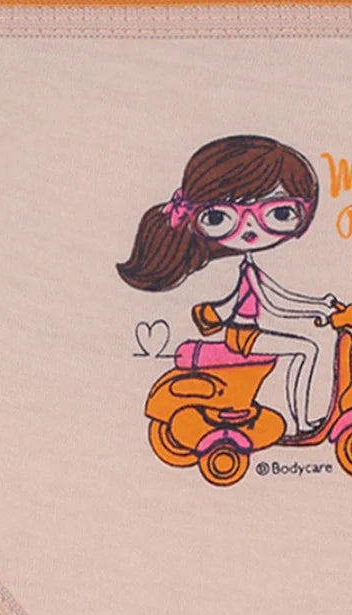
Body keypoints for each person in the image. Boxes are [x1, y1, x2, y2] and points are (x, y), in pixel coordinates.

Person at [117, 134, 335, 434]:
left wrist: (317, 306)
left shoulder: (247, 265)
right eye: (221, 217)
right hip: (243, 337)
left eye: (279, 213)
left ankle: (296, 420)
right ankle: (299, 423)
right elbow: (273, 303)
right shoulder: (236, 268)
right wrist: (315, 310)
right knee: (306, 350)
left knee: (303, 349)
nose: (250, 229)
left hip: (244, 334)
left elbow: (276, 294)